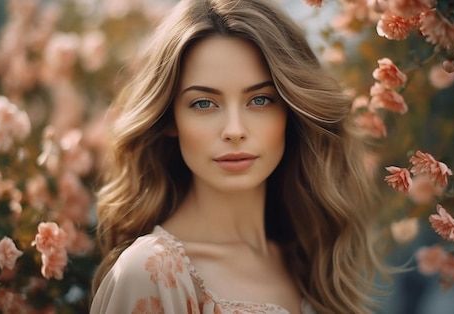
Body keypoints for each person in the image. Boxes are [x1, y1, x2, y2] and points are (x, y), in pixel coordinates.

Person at [91, 0, 385, 313]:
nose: (234, 130)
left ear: (292, 110)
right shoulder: (151, 273)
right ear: (169, 120)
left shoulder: (311, 261)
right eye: (204, 104)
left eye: (260, 99)